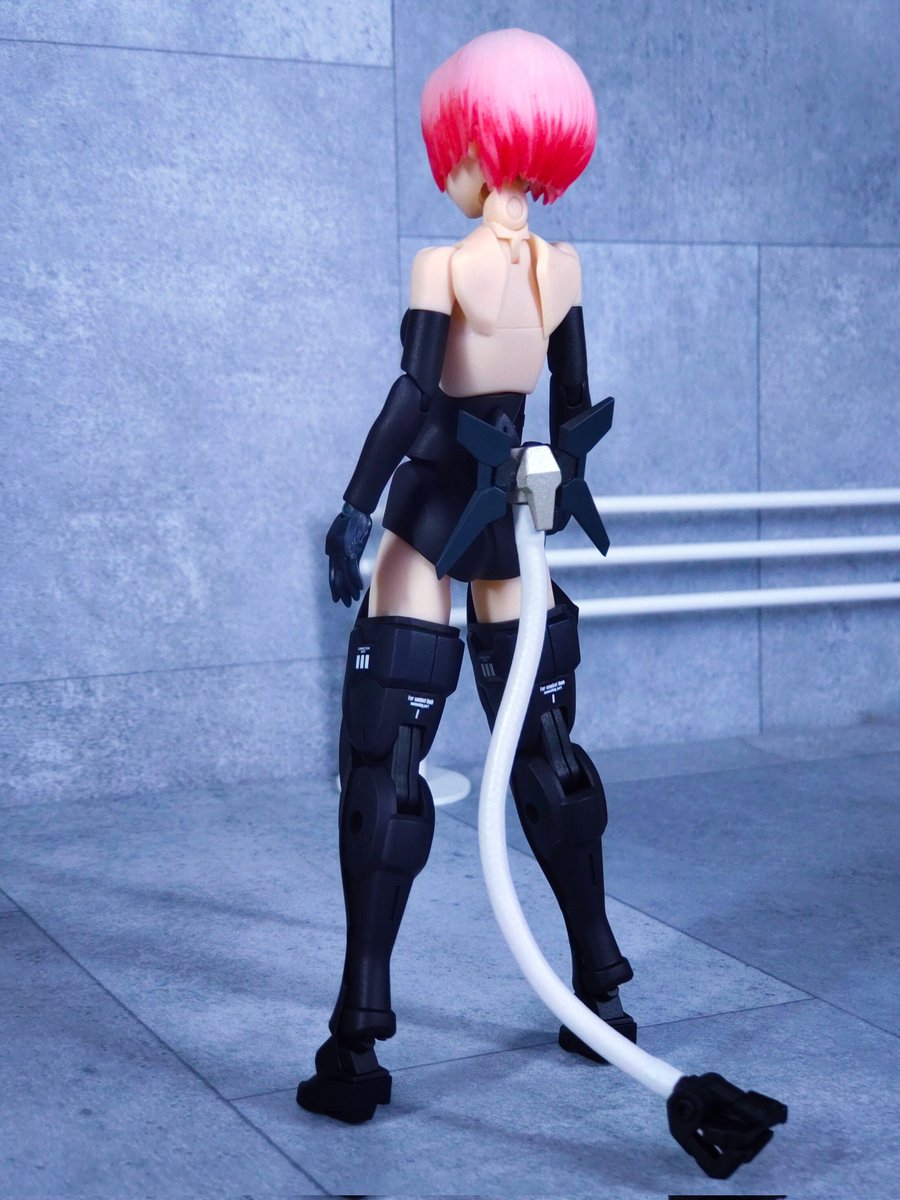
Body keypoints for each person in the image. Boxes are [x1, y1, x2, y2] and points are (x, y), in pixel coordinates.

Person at [298, 28, 635, 1126]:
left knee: (388, 759)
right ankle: (600, 988)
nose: (444, 168)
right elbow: (571, 412)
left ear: (480, 146)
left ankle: (359, 1033)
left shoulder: (443, 266)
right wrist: (552, 501)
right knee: (546, 748)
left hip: (440, 504)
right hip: (513, 513)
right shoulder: (564, 267)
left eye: (449, 147)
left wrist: (356, 507)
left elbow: (412, 401)